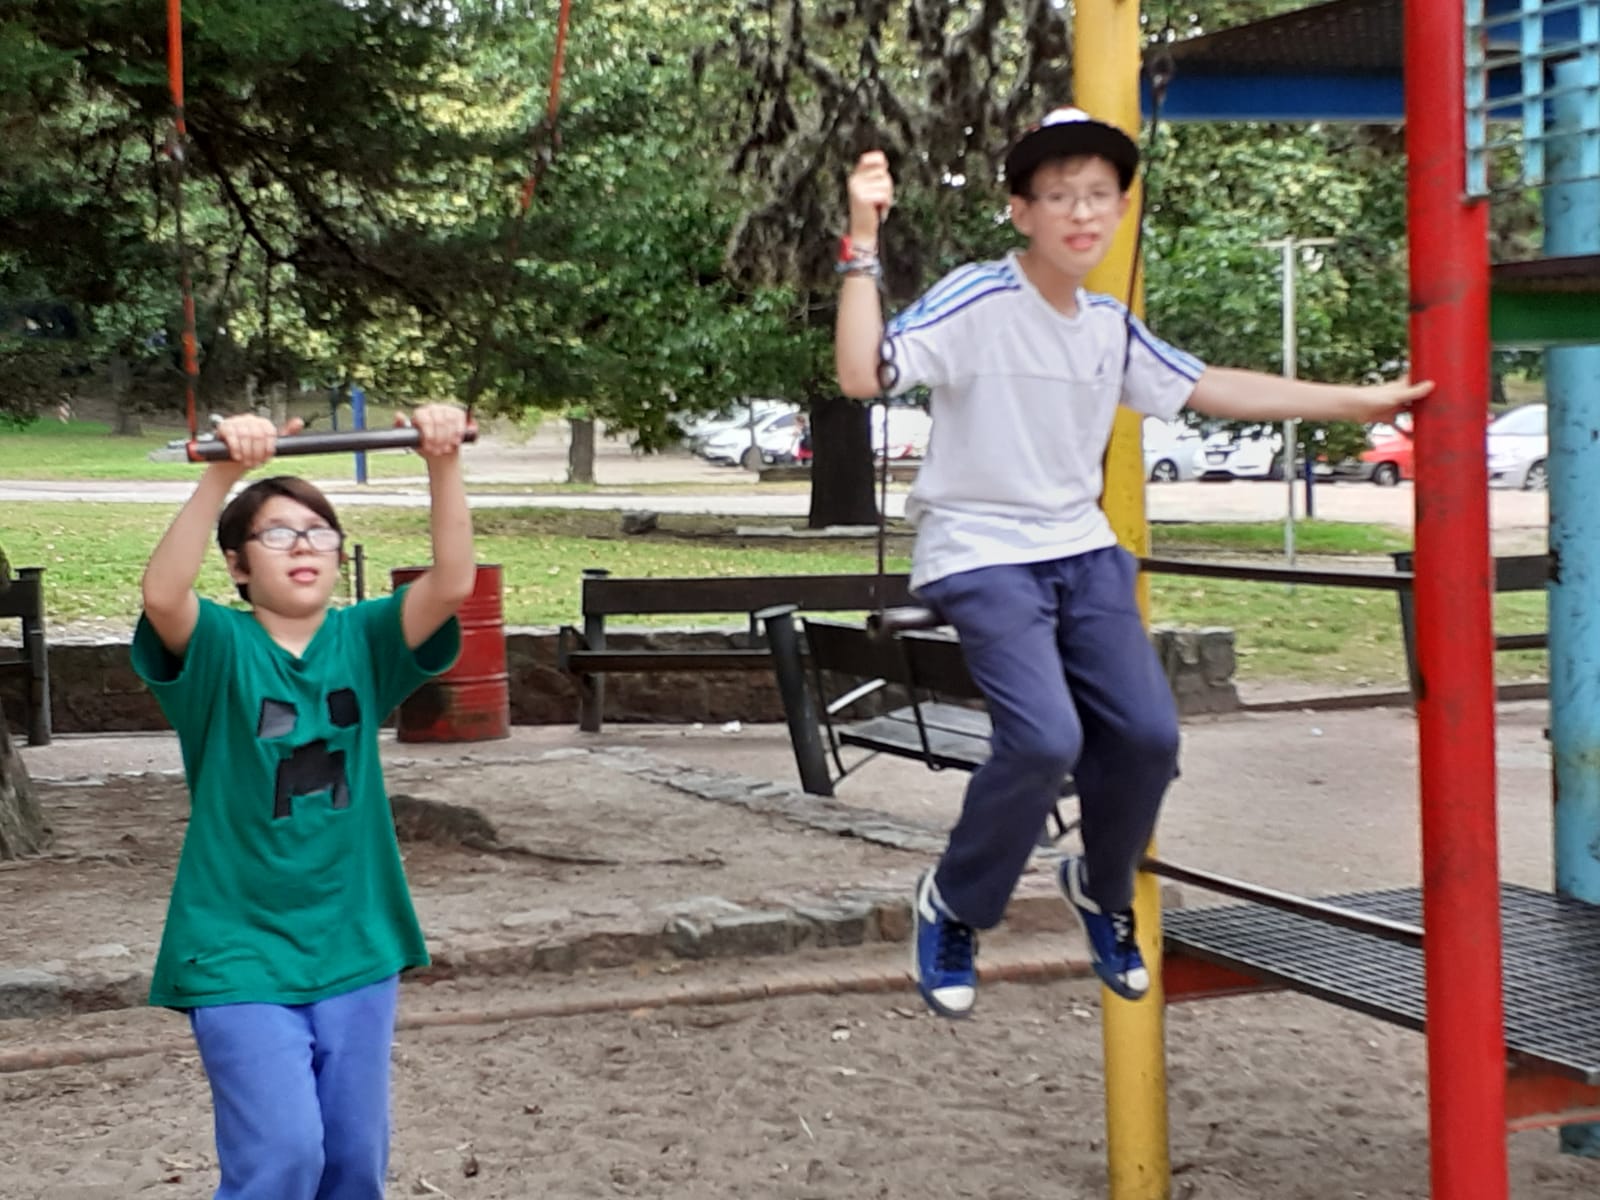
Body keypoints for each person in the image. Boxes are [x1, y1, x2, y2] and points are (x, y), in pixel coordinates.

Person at [834, 107, 1432, 1019]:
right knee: (1045, 740)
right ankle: (955, 903)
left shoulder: (1108, 326)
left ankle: (1100, 886)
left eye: (1099, 195)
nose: (1082, 212)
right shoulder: (979, 299)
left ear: (1121, 209)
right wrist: (862, 242)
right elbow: (861, 374)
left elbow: (1210, 386)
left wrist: (1358, 404)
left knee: (1149, 737)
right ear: (1021, 212)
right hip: (982, 551)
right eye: (1059, 195)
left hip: (1081, 551)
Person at [131, 406, 475, 1197]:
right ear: (237, 565)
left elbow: (453, 582)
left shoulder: (367, 641)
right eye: (278, 534)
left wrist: (442, 459)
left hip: (355, 938)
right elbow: (162, 595)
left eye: (320, 533)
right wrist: (224, 472)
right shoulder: (220, 649)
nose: (304, 546)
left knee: (352, 1163)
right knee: (284, 1155)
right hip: (236, 948)